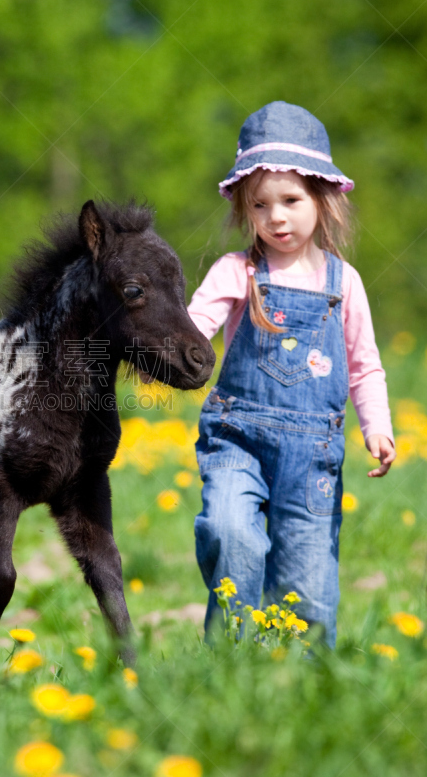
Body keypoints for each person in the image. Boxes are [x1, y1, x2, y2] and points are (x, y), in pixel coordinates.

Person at [187, 101, 395, 646]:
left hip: (312, 460)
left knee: (307, 583)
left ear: (323, 199)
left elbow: (364, 364)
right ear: (243, 210)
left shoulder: (342, 282)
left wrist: (376, 425)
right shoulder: (237, 271)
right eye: (260, 205)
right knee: (229, 532)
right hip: (238, 441)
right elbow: (192, 329)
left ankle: (299, 687)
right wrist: (169, 347)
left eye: (291, 200)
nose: (276, 217)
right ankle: (231, 663)